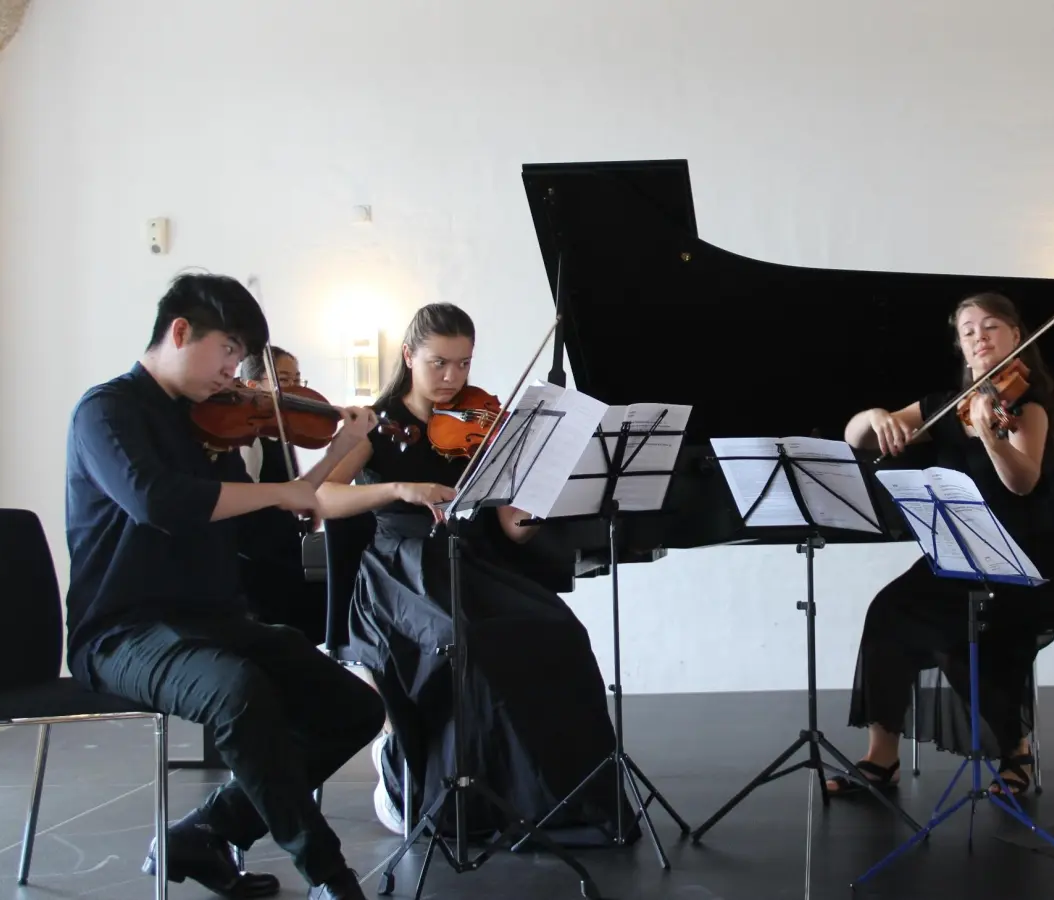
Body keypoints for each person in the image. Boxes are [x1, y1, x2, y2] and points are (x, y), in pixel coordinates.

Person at [65, 273, 385, 900]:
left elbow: (269, 524)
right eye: (228, 350)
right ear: (180, 332)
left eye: (240, 356)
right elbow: (159, 502)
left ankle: (207, 830)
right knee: (238, 694)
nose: (234, 371)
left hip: (213, 620)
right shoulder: (106, 411)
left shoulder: (211, 425)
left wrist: (333, 455)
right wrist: (277, 492)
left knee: (355, 708)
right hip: (122, 630)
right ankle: (330, 874)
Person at [315, 302, 631, 845]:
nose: (453, 378)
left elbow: (511, 527)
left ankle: (558, 803)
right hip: (401, 570)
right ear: (409, 355)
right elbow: (320, 497)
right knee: (468, 646)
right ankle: (412, 786)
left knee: (560, 634)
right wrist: (397, 489)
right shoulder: (378, 424)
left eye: (463, 364)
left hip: (472, 563)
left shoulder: (482, 423)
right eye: (440, 363)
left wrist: (530, 514)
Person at [826, 291, 1054, 798]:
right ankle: (882, 757)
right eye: (968, 331)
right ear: (960, 346)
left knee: (958, 637)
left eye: (991, 327)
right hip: (959, 552)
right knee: (888, 611)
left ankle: (1014, 749)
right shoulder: (945, 407)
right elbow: (856, 437)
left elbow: (1023, 482)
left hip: (1020, 560)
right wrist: (876, 415)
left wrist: (993, 438)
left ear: (1015, 336)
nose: (980, 337)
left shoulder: (1026, 406)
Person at [232, 345, 328, 643]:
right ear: (251, 386)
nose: (296, 389)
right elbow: (245, 500)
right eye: (284, 379)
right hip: (259, 561)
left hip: (283, 548)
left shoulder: (281, 432)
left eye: (299, 379)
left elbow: (293, 490)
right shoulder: (250, 439)